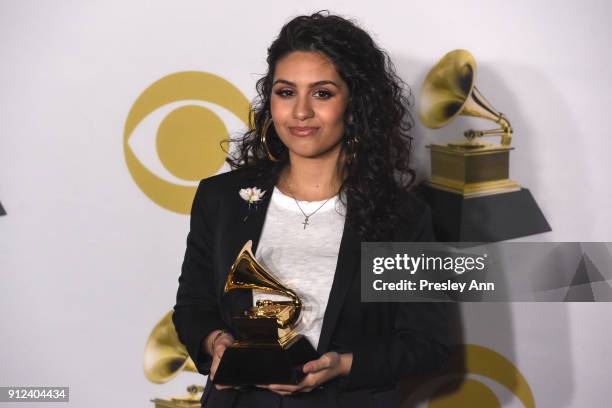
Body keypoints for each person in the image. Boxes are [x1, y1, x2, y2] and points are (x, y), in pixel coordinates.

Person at [172, 11, 449, 408]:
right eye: (286, 92)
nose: (300, 112)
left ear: (355, 104)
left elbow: (427, 345)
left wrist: (344, 365)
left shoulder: (403, 217)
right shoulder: (220, 199)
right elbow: (193, 308)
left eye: (322, 93)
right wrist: (215, 342)